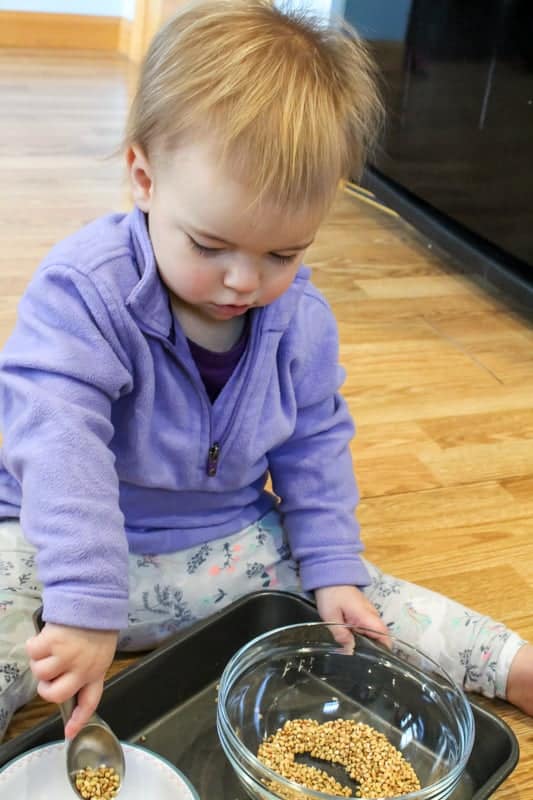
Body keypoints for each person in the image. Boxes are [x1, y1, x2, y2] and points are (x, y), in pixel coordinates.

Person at [0, 0, 531, 744]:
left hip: (222, 544)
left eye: (283, 254)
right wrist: (85, 601)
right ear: (143, 178)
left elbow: (314, 445)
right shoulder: (84, 290)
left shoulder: (301, 323)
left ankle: (505, 663)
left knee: (353, 600)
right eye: (210, 244)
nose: (243, 282)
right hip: (56, 543)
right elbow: (59, 443)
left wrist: (332, 565)